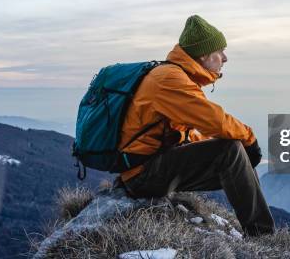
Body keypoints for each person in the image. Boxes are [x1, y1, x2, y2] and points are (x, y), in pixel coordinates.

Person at [118, 14, 275, 236]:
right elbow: (216, 121)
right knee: (230, 150)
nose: (225, 57)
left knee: (235, 156)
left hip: (148, 167)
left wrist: (241, 154)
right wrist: (250, 139)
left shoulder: (173, 76)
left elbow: (186, 135)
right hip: (143, 176)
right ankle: (263, 236)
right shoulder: (170, 80)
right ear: (203, 55)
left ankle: (260, 232)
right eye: (219, 51)